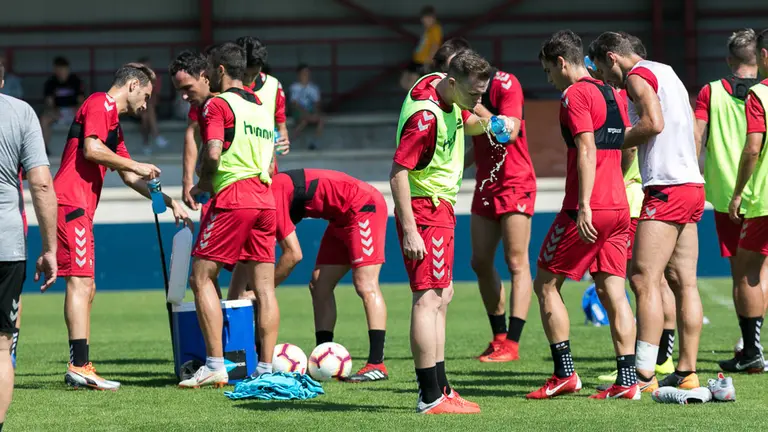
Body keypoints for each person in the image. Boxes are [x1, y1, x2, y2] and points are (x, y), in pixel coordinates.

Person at [53, 63, 191, 391]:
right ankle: (79, 366)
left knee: (87, 287)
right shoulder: (100, 103)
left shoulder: (113, 123)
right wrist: (135, 163)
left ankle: (79, 364)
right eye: (145, 96)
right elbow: (92, 149)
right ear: (131, 86)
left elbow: (130, 177)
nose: (146, 105)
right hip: (71, 202)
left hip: (80, 207)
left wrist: (169, 202)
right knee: (81, 284)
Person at [391, 49, 508, 414]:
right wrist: (410, 230)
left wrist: (489, 123)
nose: (479, 101)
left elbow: (464, 118)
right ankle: (429, 396)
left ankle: (441, 388)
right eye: (474, 94)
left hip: (439, 207)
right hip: (426, 208)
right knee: (428, 299)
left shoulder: (439, 87)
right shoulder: (425, 119)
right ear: (454, 83)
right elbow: (397, 173)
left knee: (442, 295)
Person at [590, 32, 706, 391]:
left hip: (667, 188)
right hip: (691, 185)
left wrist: (609, 139)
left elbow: (653, 123)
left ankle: (642, 375)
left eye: (602, 70)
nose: (606, 80)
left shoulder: (638, 76)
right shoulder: (667, 71)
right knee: (683, 282)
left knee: (643, 279)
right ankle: (686, 373)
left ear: (613, 58)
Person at [526, 30, 636, 400]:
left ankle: (565, 374)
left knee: (545, 283)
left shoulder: (574, 94)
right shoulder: (613, 91)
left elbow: (586, 147)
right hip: (620, 208)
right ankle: (627, 381)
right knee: (613, 291)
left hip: (585, 209)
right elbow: (626, 147)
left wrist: (587, 203)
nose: (549, 80)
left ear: (561, 62)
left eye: (547, 71)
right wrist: (611, 189)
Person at [181, 42, 279, 388]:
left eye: (210, 70)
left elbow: (212, 152)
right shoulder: (260, 107)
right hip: (266, 198)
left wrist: (202, 184)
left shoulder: (217, 104)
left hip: (234, 196)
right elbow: (270, 161)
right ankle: (266, 370)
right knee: (264, 288)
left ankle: (215, 365)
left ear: (220, 71)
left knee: (201, 277)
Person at [237, 168, 390, 382]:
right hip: (340, 218)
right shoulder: (265, 196)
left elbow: (293, 255)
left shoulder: (272, 194)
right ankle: (322, 356)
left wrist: (257, 292)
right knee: (319, 284)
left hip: (363, 206)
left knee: (365, 284)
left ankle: (377, 364)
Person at [694, 29, 768, 353]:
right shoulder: (765, 92)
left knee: (741, 271)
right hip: (763, 189)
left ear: (729, 60)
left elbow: (697, 137)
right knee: (761, 268)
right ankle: (751, 342)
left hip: (728, 193)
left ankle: (749, 344)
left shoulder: (710, 92)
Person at [0, 66, 58, 429]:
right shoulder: (21, 112)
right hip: (6, 243)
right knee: (1, 349)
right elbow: (40, 184)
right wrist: (50, 248)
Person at [720, 28, 768, 373]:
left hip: (763, 198)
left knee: (746, 273)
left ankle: (751, 351)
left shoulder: (760, 95)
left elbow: (752, 148)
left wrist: (738, 192)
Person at [40, 57, 86, 155]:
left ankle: (85, 146)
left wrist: (76, 109)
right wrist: (55, 110)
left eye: (63, 69)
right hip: (58, 111)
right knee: (44, 119)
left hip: (73, 111)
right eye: (58, 69)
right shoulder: (51, 82)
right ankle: (44, 149)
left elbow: (81, 99)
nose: (61, 72)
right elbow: (49, 102)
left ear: (67, 69)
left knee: (86, 117)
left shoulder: (76, 81)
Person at [400, 6, 443, 90]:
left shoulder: (436, 29)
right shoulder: (427, 30)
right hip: (416, 60)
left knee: (411, 85)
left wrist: (429, 62)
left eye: (427, 19)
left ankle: (415, 100)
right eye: (423, 19)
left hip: (423, 62)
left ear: (433, 18)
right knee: (403, 82)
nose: (424, 21)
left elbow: (435, 46)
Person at [136, 57, 169, 155]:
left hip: (151, 107)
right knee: (146, 112)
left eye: (149, 67)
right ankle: (156, 135)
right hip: (137, 109)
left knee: (146, 117)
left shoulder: (155, 78)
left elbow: (156, 96)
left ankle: (146, 145)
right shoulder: (134, 80)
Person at [289, 64, 324, 150]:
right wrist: (305, 113)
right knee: (304, 121)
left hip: (310, 111)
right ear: (299, 75)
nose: (306, 75)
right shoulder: (294, 87)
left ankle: (314, 143)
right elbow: (294, 103)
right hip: (299, 111)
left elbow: (317, 103)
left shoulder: (313, 88)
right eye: (303, 73)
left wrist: (315, 112)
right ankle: (288, 141)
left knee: (320, 120)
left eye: (307, 73)